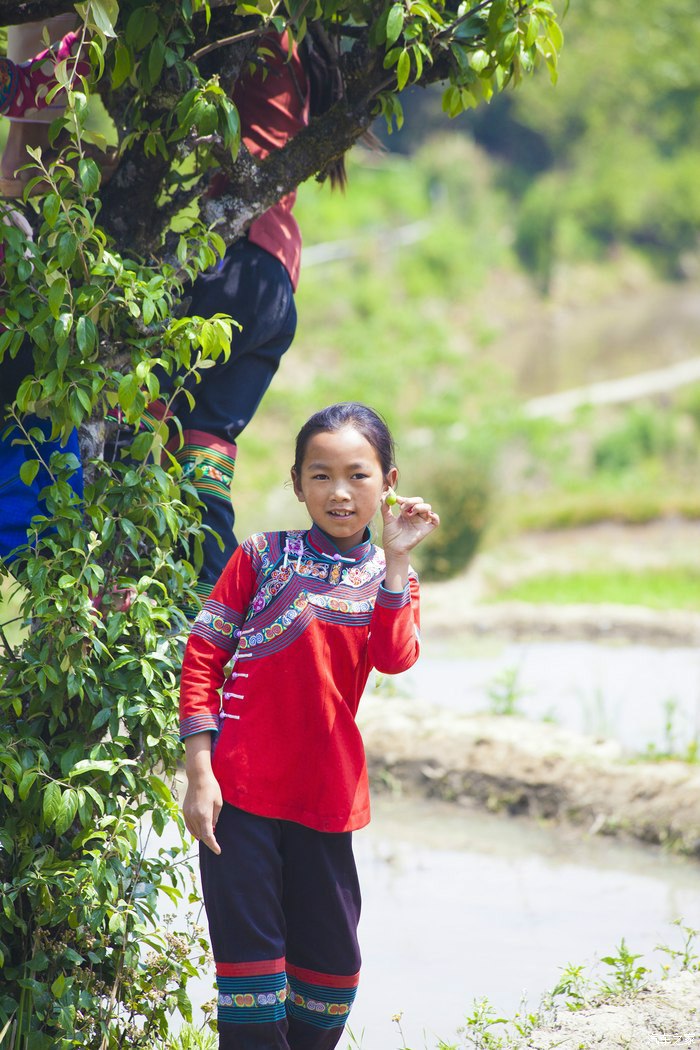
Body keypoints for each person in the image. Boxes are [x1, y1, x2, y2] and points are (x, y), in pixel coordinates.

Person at [178, 402, 439, 1050]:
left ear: (388, 483)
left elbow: (394, 657)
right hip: (238, 798)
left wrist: (399, 561)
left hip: (326, 797)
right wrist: (199, 773)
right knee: (253, 989)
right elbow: (202, 654)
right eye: (320, 475)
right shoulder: (262, 557)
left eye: (357, 475)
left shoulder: (388, 578)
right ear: (297, 484)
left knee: (330, 979)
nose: (339, 492)